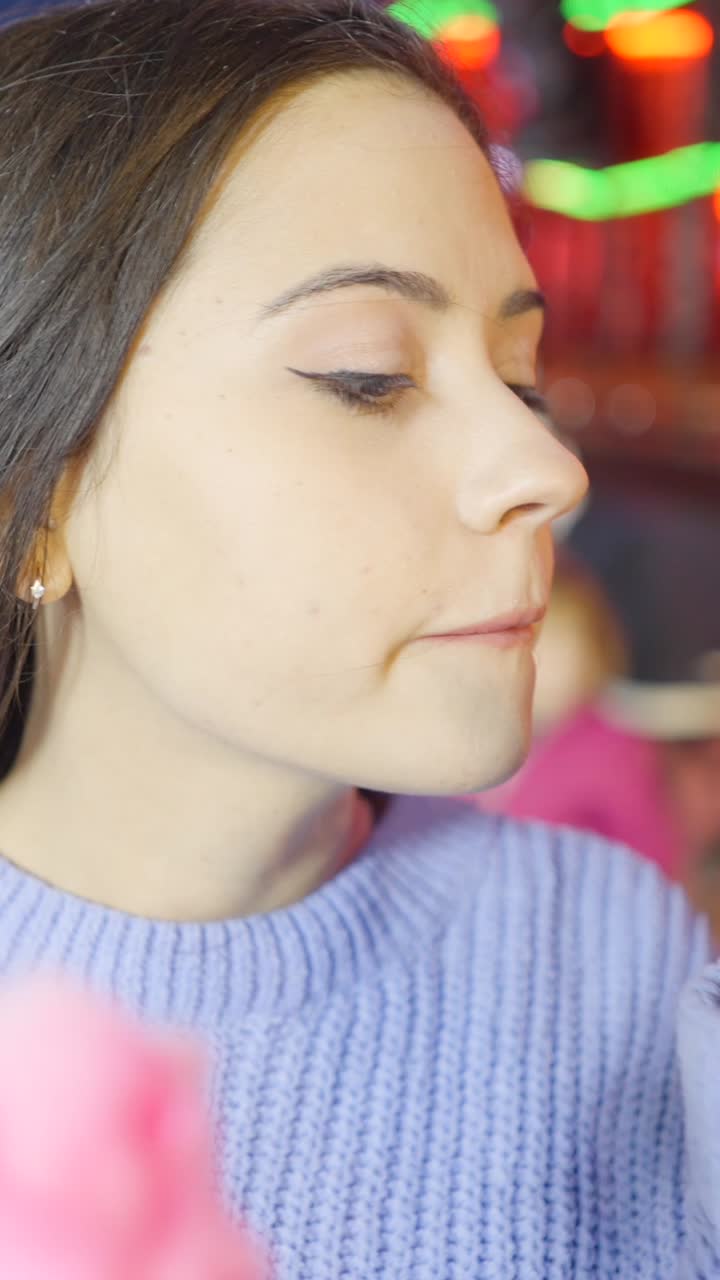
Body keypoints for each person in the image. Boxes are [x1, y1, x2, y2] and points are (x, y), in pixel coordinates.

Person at [0, 2, 717, 1276]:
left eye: (523, 373)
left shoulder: (617, 959)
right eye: (368, 375)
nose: (543, 467)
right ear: (33, 503)